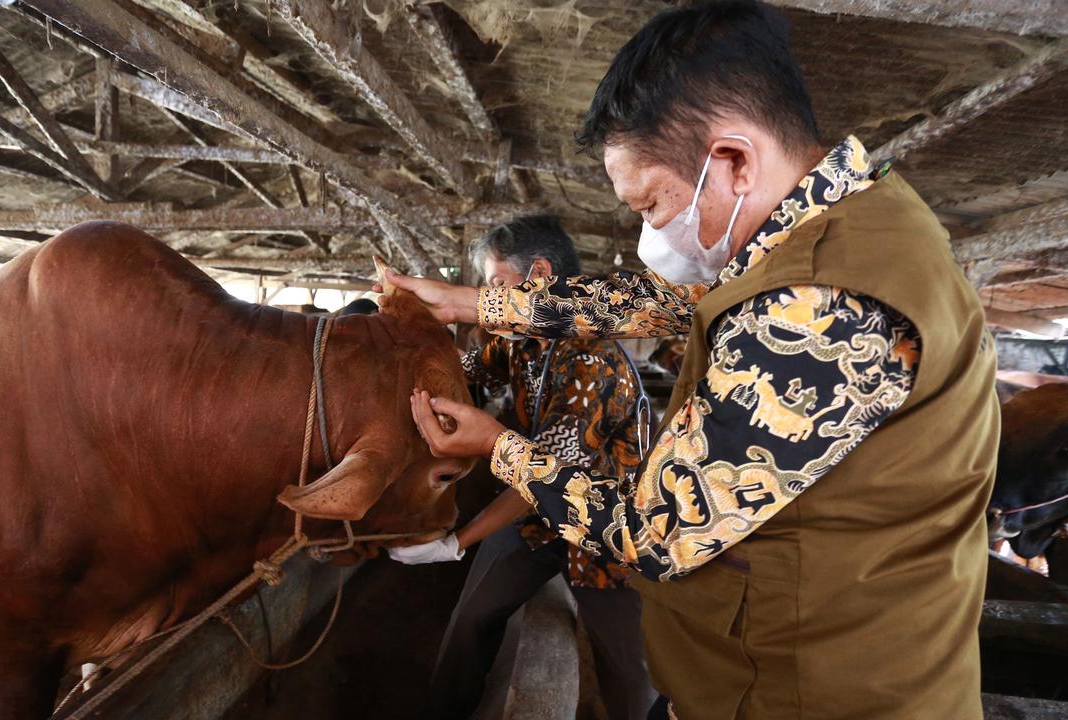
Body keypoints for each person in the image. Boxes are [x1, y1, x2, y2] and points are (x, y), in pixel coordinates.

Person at [381, 2, 999, 718]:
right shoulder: (837, 229)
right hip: (757, 672)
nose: (651, 236)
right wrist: (467, 305)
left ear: (732, 161)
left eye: (652, 206)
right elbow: (651, 302)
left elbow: (654, 534)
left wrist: (499, 447)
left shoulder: (825, 304)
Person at [389, 215, 657, 720]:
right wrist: (411, 343)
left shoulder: (594, 360)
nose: (489, 300)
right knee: (469, 619)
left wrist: (456, 543)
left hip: (609, 535)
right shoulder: (519, 343)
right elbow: (459, 376)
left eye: (494, 284)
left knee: (627, 676)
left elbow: (542, 478)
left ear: (537, 274)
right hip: (539, 522)